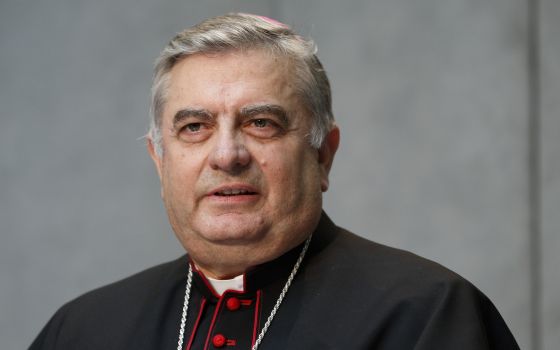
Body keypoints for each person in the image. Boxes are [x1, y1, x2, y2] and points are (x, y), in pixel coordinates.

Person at [30, 13, 520, 350]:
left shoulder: (425, 315)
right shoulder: (84, 329)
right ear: (160, 161)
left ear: (323, 155)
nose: (226, 155)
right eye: (194, 127)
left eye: (261, 123)